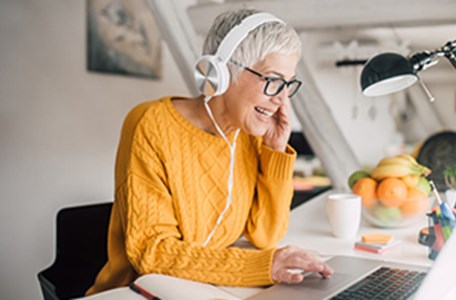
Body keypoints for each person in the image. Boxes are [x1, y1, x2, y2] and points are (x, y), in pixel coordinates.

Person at [86, 8, 333, 296]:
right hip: (137, 291)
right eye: (272, 80)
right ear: (223, 71)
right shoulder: (151, 124)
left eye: (287, 85)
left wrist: (275, 151)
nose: (280, 99)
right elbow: (151, 253)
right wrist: (263, 266)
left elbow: (266, 235)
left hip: (206, 288)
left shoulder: (250, 133)